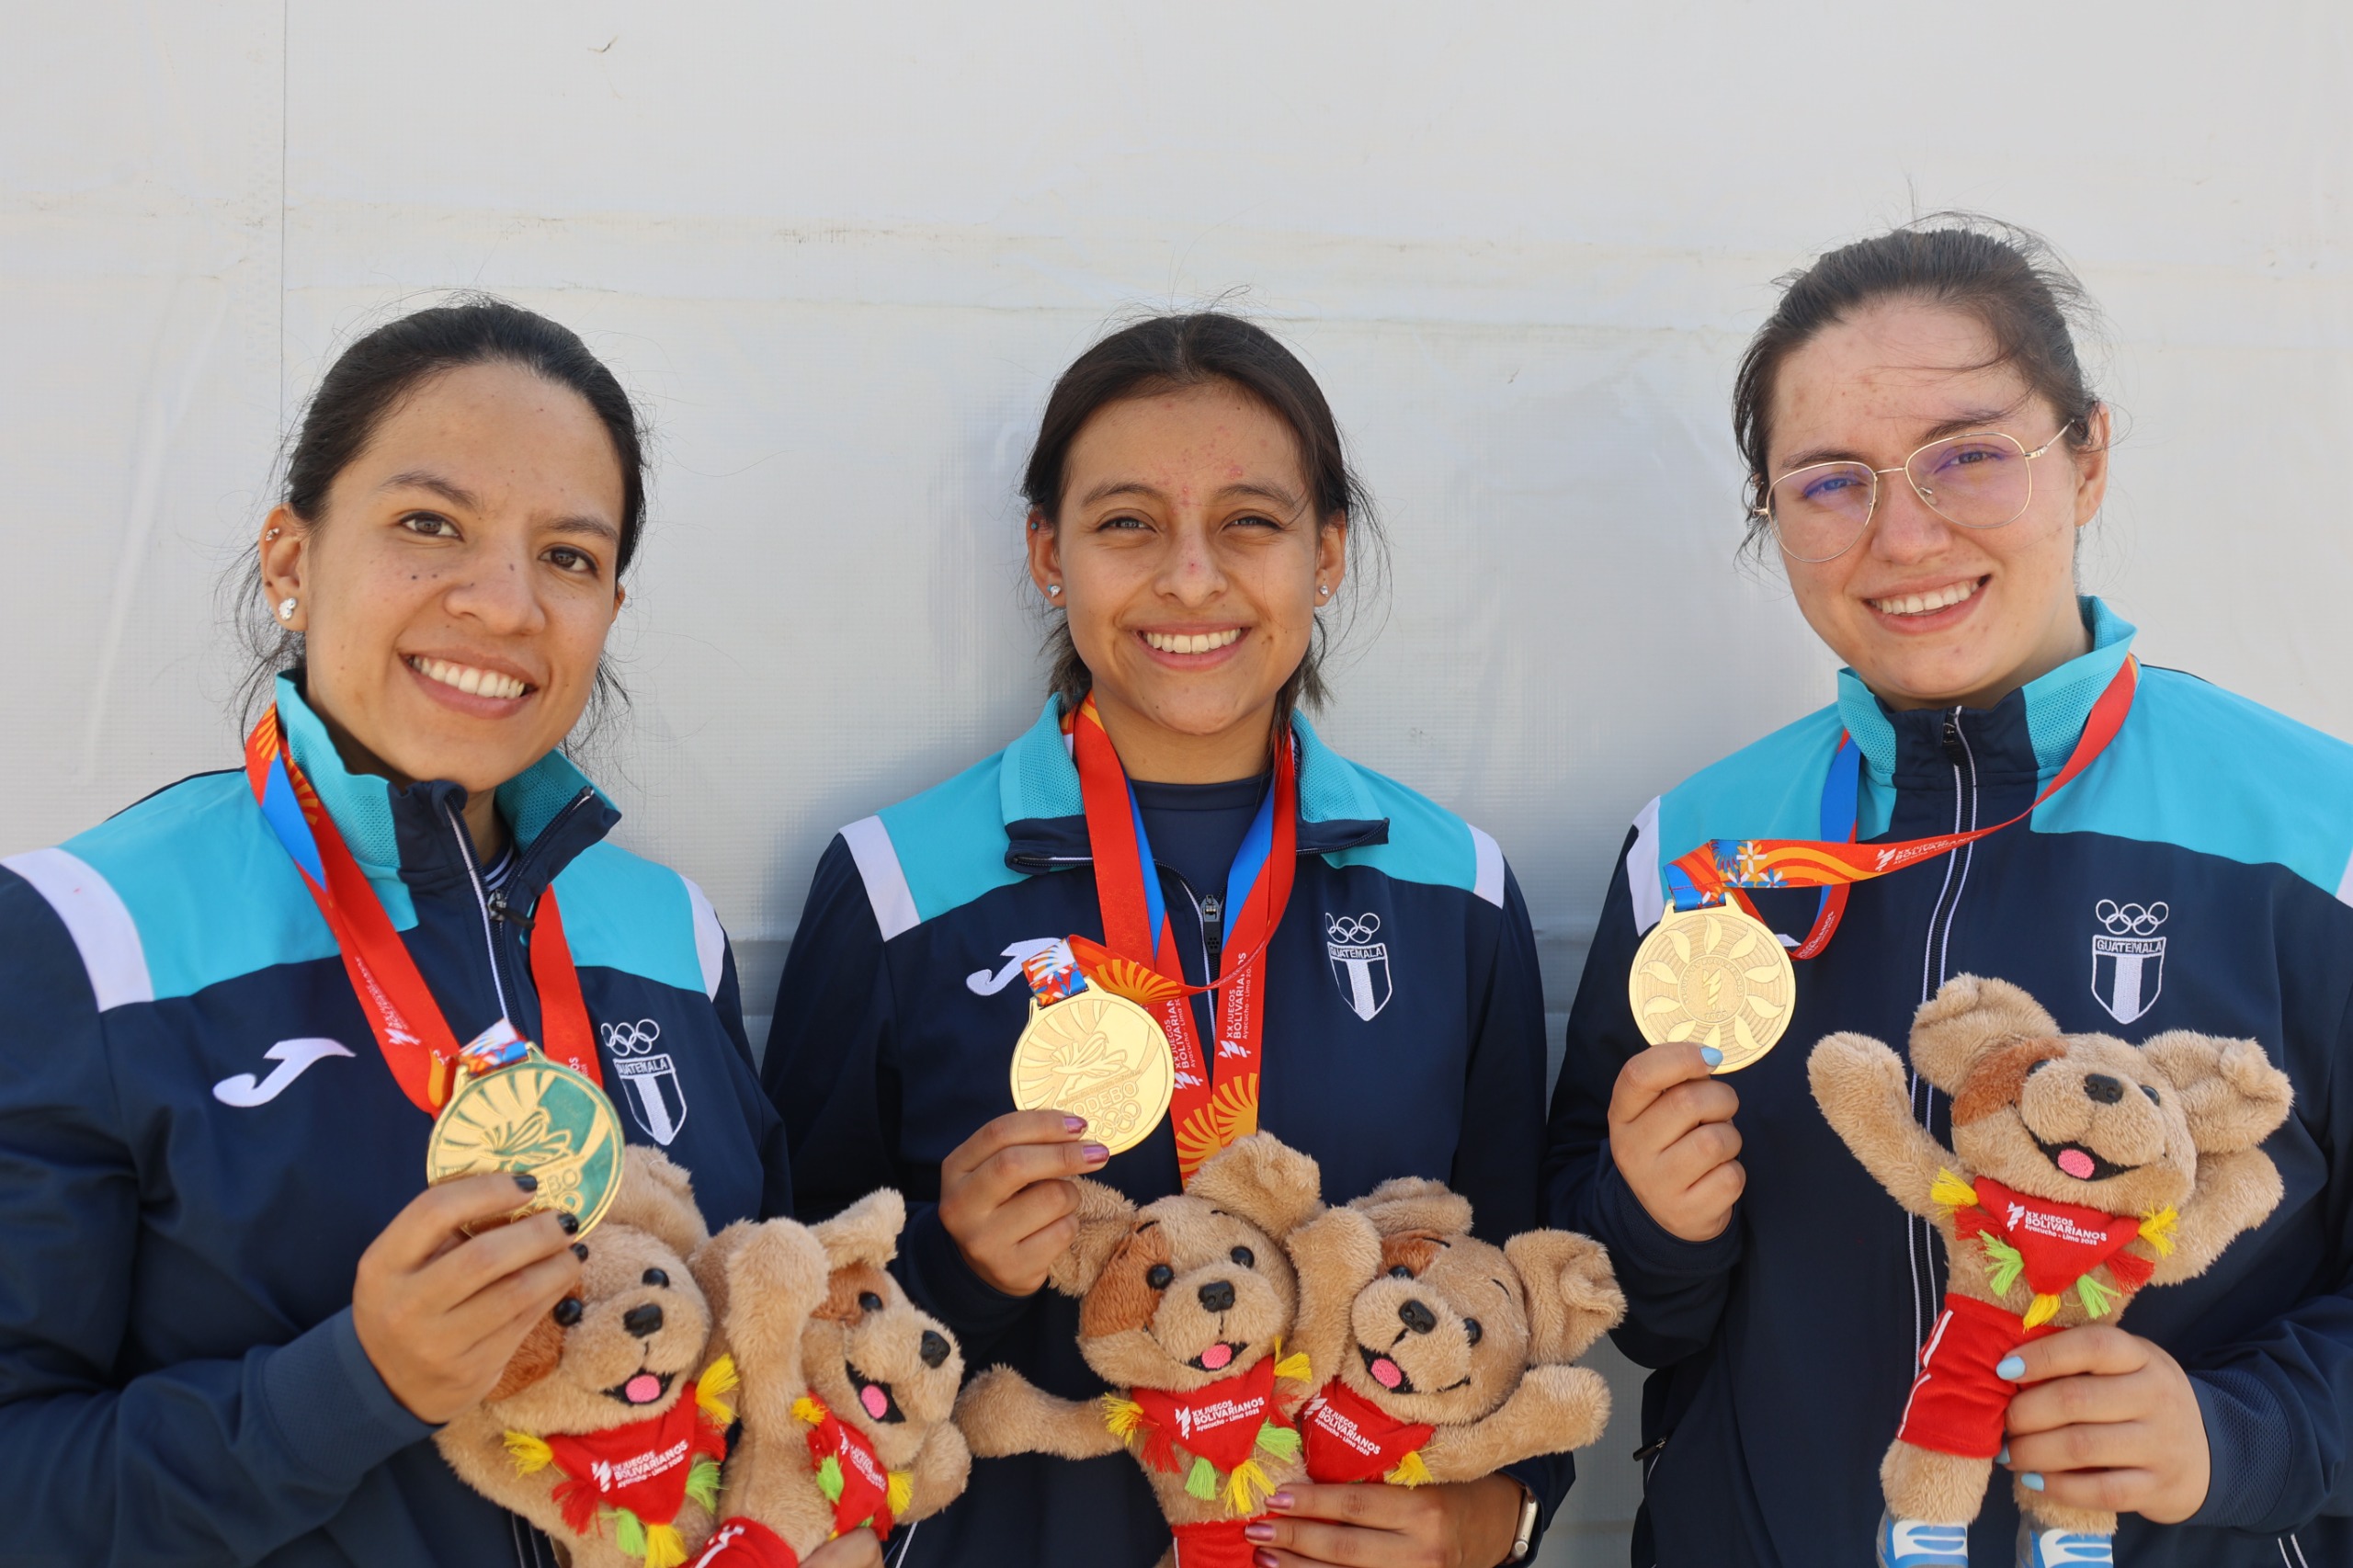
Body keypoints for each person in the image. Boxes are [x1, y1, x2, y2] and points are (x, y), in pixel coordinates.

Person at [0, 299, 876, 1568]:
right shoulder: (83, 934)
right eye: (430, 525)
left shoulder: (664, 928)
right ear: (291, 560)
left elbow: (767, 1368)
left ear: (609, 608)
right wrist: (353, 1386)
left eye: (568, 556)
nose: (506, 602)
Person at [1543, 219, 2353, 1568]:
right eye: (1829, 481)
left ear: (2087, 458)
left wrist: (2240, 1433)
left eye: (1970, 454)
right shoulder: (1697, 846)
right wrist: (1646, 1223)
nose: (1904, 533)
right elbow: (1622, 1296)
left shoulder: (2315, 834)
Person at [765, 312, 1562, 1568]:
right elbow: (774, 1318)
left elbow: (1523, 1281)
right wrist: (956, 1268)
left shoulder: (1456, 887)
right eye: (1127, 522)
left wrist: (1492, 1519)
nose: (1192, 577)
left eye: (1251, 521)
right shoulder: (893, 888)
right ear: (1047, 552)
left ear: (1329, 550)